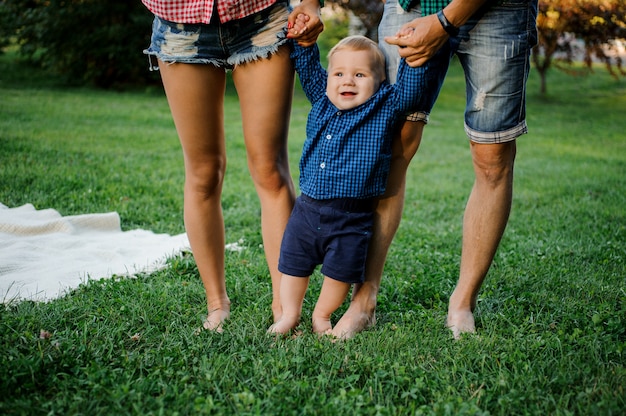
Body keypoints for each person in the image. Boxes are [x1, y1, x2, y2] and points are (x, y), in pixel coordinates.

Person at [330, 0, 539, 339]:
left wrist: (445, 22)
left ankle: (462, 302)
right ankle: (363, 300)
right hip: (413, 5)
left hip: (500, 9)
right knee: (389, 147)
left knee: (493, 160)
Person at [141, 0, 323, 332]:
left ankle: (284, 306)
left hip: (261, 17)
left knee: (270, 169)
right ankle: (216, 303)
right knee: (203, 173)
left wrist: (310, 3)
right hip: (180, 23)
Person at [268, 33, 436, 335]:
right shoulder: (322, 97)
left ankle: (322, 316)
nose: (348, 81)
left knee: (339, 275)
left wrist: (415, 59)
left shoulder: (385, 106)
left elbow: (410, 91)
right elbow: (307, 66)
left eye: (360, 75)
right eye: (339, 73)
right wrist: (304, 42)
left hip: (351, 217)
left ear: (380, 81)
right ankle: (289, 315)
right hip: (306, 211)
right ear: (329, 77)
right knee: (293, 267)